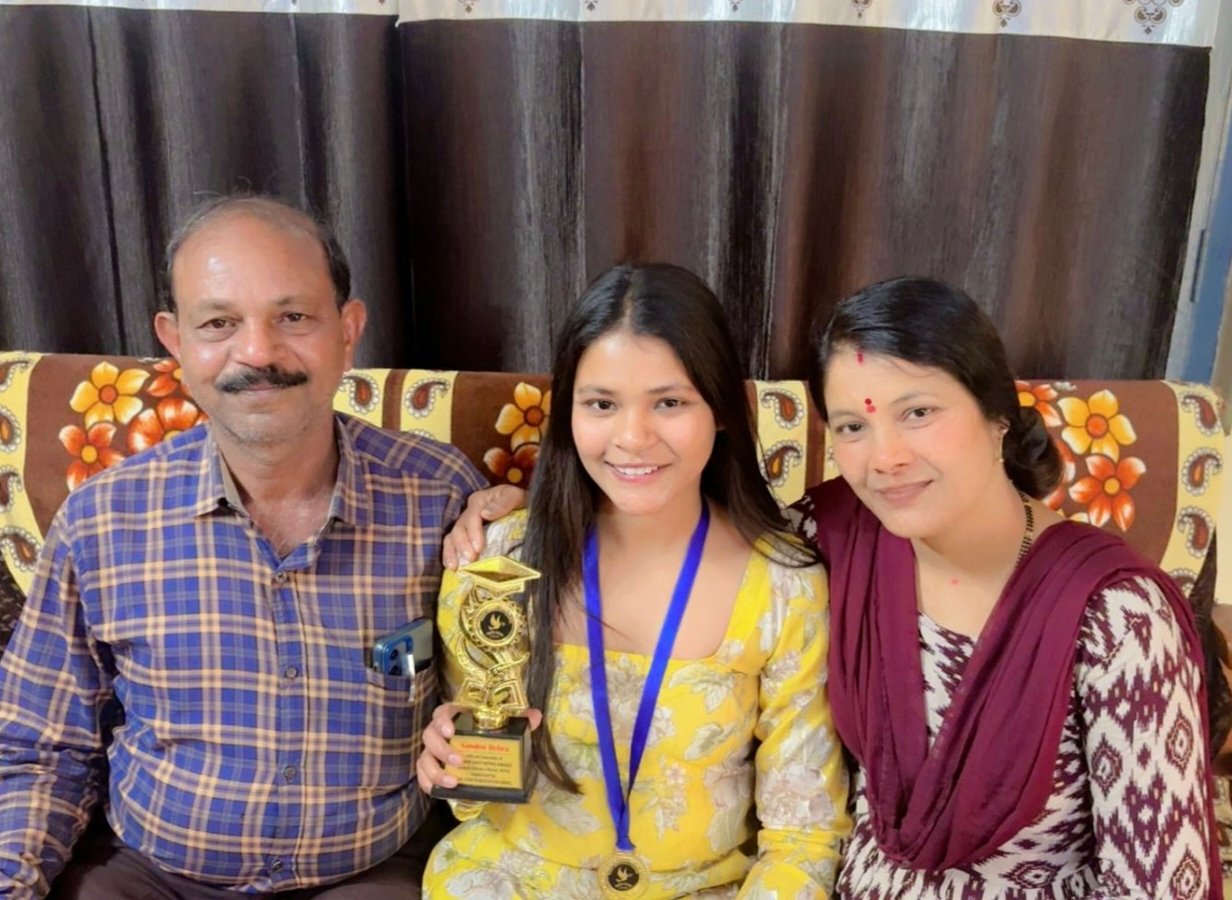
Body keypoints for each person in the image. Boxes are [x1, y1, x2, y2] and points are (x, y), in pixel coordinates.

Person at [448, 276, 1221, 898]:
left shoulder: (1120, 618)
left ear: (997, 415)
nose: (885, 458)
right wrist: (527, 510)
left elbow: (1161, 884)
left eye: (919, 412)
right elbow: (669, 518)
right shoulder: (838, 535)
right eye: (852, 425)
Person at [0, 195, 486, 899]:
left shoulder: (440, 495)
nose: (257, 353)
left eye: (293, 317)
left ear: (349, 330)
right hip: (149, 874)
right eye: (219, 323)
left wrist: (522, 520)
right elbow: (37, 747)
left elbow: (512, 679)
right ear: (175, 341)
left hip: (366, 871)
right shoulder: (101, 520)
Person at [416, 263, 850, 897]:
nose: (632, 438)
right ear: (568, 413)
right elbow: (473, 801)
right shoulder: (497, 560)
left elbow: (802, 838)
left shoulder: (786, 588)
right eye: (602, 404)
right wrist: (452, 762)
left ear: (721, 409)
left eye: (669, 402)